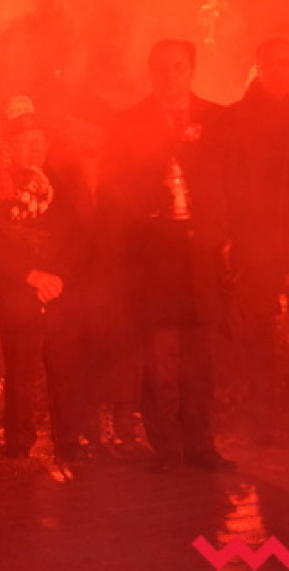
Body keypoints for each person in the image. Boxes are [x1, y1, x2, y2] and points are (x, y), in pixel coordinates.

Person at [102, 39, 234, 472]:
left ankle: (201, 443)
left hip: (201, 258)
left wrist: (224, 236)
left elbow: (233, 184)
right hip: (154, 260)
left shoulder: (217, 118)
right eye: (162, 68)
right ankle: (167, 447)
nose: (170, 75)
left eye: (179, 67)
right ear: (150, 72)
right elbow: (113, 194)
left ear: (192, 70)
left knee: (201, 362)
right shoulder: (128, 123)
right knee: (160, 362)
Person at [0, 97, 95, 465]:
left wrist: (59, 276)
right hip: (20, 288)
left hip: (61, 288)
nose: (31, 148)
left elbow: (81, 234)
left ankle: (69, 438)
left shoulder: (65, 183)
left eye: (37, 140)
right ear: (9, 148)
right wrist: (28, 274)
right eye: (22, 142)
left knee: (65, 365)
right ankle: (18, 440)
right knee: (21, 367)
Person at [223, 37, 289, 443]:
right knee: (260, 330)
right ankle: (266, 418)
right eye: (272, 62)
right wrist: (235, 236)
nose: (279, 69)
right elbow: (229, 183)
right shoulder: (237, 119)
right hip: (259, 237)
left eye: (286, 62)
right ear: (259, 66)